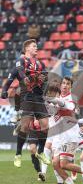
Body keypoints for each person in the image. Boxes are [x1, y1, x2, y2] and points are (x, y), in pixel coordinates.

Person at [1, 39, 50, 168]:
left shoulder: (40, 64)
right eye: (34, 46)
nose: (36, 48)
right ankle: (18, 154)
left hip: (38, 97)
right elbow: (14, 76)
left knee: (45, 125)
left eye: (37, 46)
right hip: (27, 96)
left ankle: (41, 152)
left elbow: (46, 77)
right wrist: (5, 90)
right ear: (27, 48)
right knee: (25, 127)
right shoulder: (21, 61)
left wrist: (43, 79)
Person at [46, 77, 81, 184]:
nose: (65, 86)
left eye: (68, 84)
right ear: (60, 85)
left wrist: (50, 100)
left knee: (64, 164)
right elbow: (53, 114)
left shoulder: (71, 99)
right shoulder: (59, 97)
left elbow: (67, 106)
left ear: (71, 86)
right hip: (60, 136)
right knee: (55, 163)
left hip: (70, 135)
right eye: (64, 83)